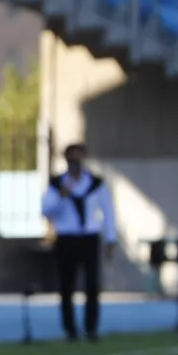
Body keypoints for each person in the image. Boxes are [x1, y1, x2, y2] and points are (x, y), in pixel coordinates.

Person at [41, 143, 116, 341]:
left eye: (78, 158)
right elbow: (46, 210)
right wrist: (61, 196)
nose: (75, 162)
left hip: (89, 238)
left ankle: (91, 328)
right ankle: (70, 329)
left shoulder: (95, 184)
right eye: (71, 158)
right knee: (66, 285)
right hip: (66, 238)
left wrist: (111, 238)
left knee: (92, 284)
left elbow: (108, 212)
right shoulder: (57, 184)